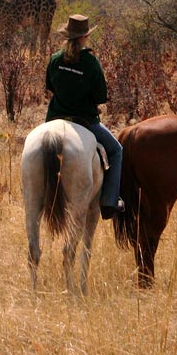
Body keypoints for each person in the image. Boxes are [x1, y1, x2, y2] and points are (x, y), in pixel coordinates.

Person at [45, 13, 124, 220]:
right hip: (85, 121)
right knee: (116, 150)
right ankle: (109, 201)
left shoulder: (55, 59)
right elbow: (100, 96)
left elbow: (49, 87)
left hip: (54, 118)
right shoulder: (90, 62)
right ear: (84, 37)